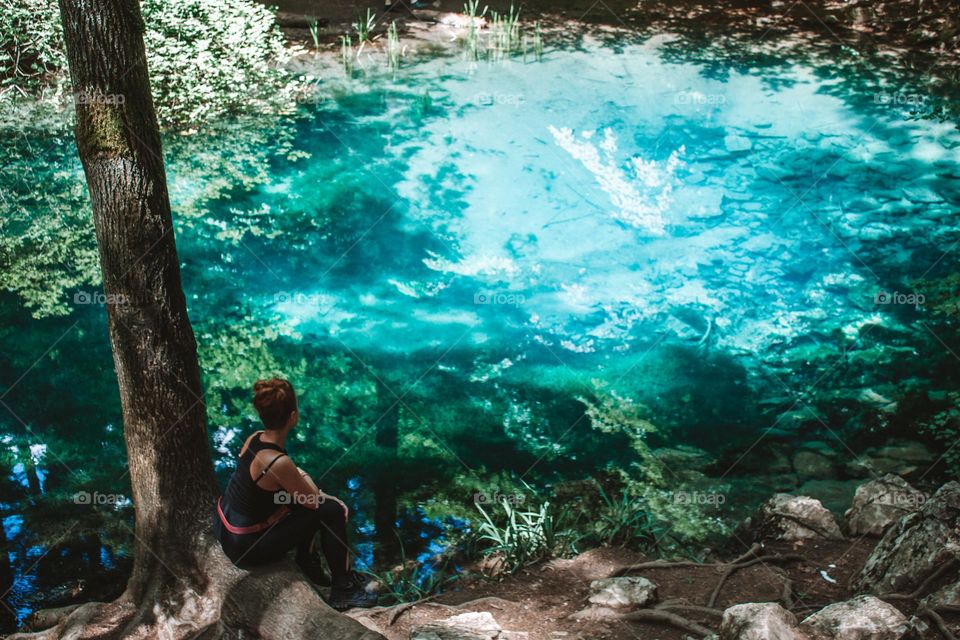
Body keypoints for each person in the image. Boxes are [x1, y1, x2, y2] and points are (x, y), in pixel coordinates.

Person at [213, 377, 376, 610]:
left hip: (227, 528)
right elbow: (310, 499)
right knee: (332, 511)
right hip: (246, 548)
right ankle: (344, 589)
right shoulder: (277, 462)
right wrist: (319, 491)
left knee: (308, 501)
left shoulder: (255, 438)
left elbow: (292, 485)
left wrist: (307, 487)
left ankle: (307, 561)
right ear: (293, 417)